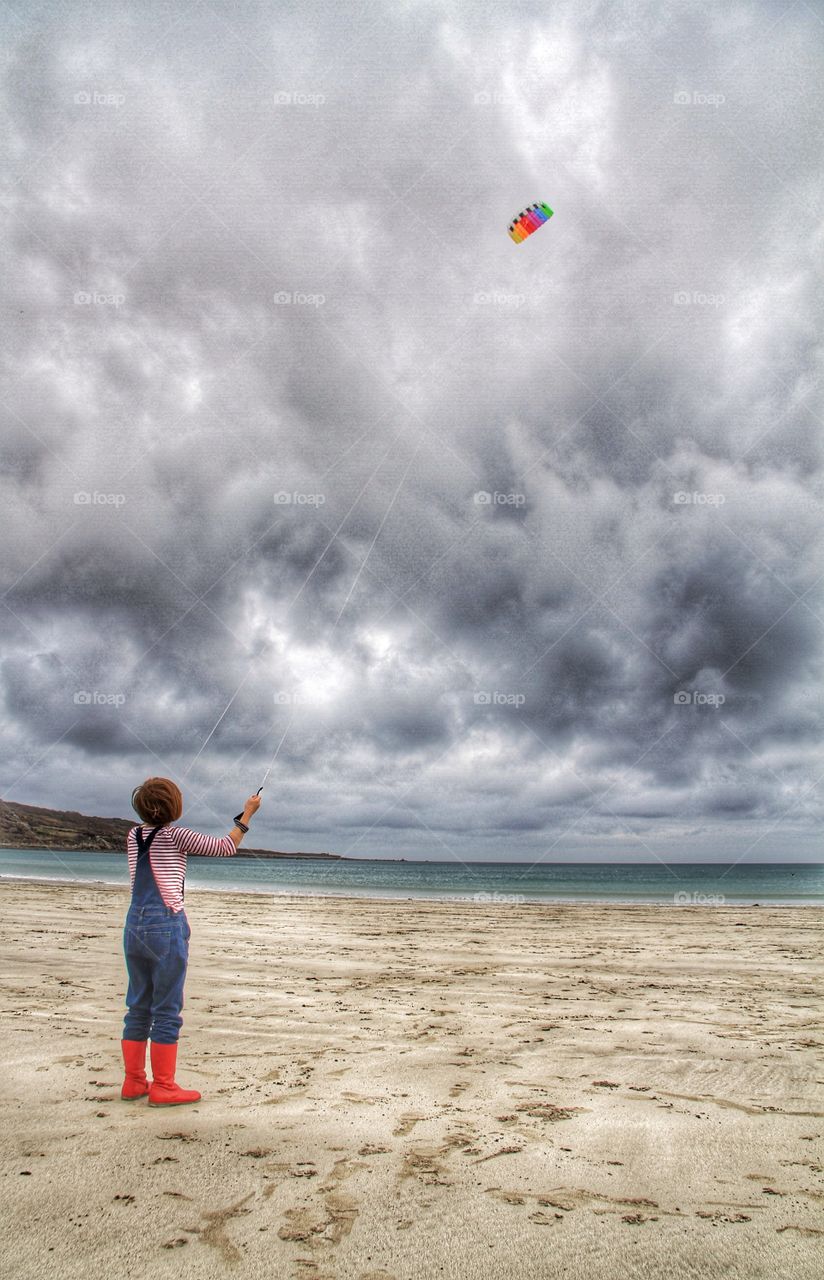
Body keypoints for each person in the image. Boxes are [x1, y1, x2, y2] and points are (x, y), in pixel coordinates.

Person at [120, 776, 261, 1106]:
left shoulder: (133, 835)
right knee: (167, 1008)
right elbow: (226, 847)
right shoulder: (174, 835)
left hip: (134, 925)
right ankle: (163, 1086)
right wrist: (247, 813)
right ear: (172, 807)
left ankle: (134, 1081)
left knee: (138, 1005)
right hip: (166, 924)